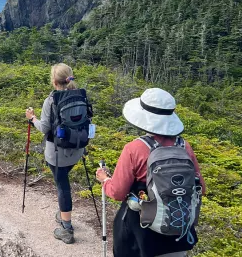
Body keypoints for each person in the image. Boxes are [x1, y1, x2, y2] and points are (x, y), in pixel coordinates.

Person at [96, 88, 206, 257]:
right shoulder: (185, 147)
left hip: (142, 235)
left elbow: (117, 192)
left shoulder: (134, 149)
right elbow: (201, 189)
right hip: (179, 234)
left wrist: (105, 180)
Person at [25, 63, 85, 244]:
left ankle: (67, 228)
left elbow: (44, 128)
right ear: (70, 77)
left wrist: (32, 118)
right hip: (77, 149)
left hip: (57, 153)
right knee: (63, 181)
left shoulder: (51, 100)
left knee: (62, 187)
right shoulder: (80, 96)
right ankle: (63, 212)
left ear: (54, 81)